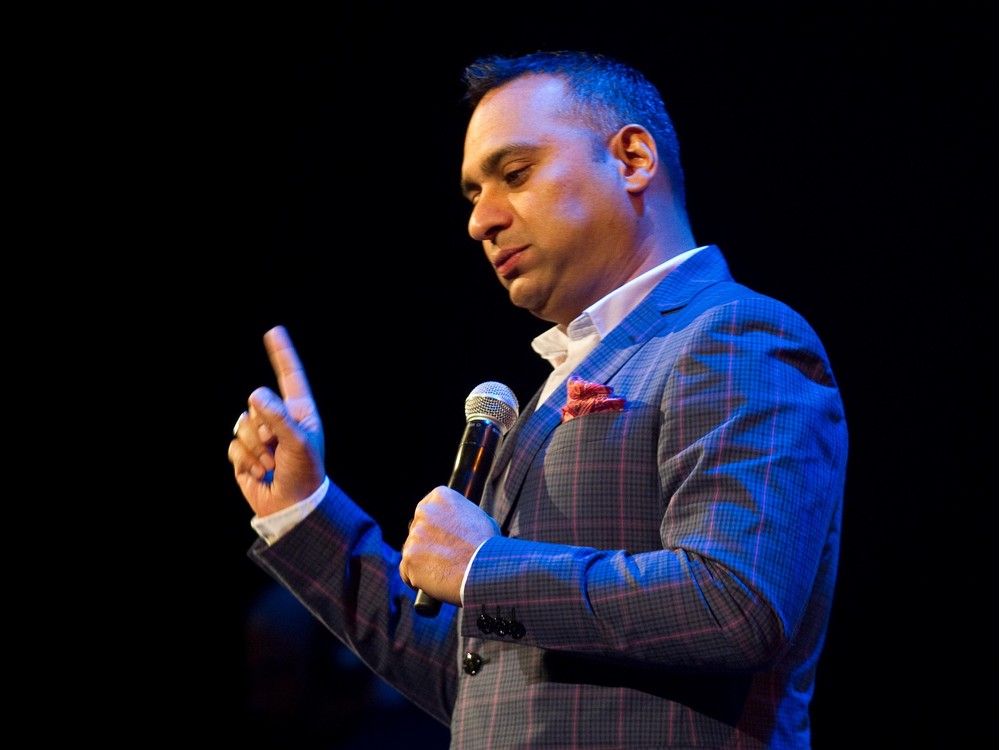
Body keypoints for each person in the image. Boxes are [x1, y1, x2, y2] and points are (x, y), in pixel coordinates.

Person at [228, 51, 847, 748]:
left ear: (633, 159)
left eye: (514, 175)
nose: (480, 222)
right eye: (470, 195)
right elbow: (477, 685)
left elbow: (736, 603)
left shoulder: (734, 335)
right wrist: (306, 513)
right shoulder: (559, 381)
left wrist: (483, 568)